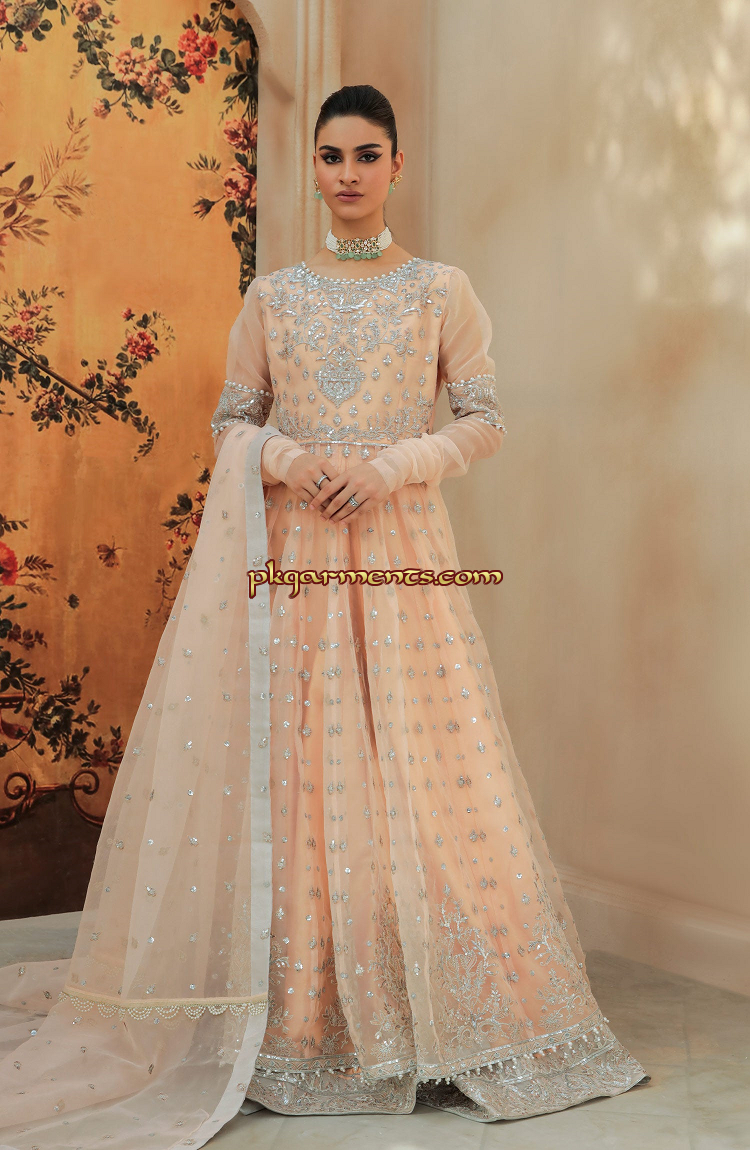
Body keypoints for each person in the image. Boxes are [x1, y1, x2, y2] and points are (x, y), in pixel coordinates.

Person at [0, 84, 649, 1147]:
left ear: (396, 166)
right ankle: (300, 1014)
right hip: (295, 558)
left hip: (399, 553)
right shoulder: (275, 296)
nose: (348, 173)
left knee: (422, 759)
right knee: (303, 766)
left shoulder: (441, 290)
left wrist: (394, 465)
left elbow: (484, 418)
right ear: (314, 165)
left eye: (367, 154)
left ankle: (430, 1007)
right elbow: (232, 421)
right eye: (332, 155)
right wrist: (287, 459)